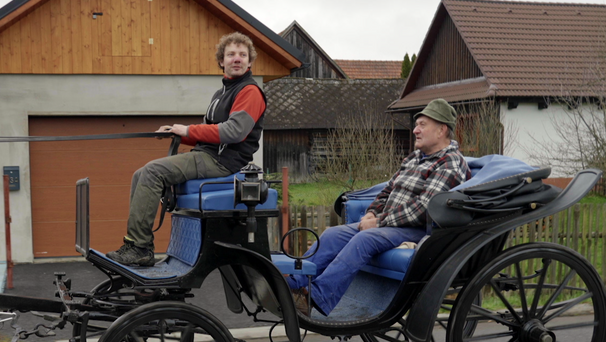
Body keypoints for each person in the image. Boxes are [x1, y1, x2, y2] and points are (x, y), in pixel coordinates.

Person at [288, 98, 471, 316]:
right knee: (333, 234)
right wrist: (372, 212)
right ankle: (292, 283)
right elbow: (386, 191)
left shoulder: (450, 162)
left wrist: (378, 222)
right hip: (389, 224)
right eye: (416, 125)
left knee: (364, 240)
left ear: (441, 130)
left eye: (422, 125)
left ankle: (316, 297)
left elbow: (424, 207)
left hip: (421, 231)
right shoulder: (414, 158)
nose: (415, 130)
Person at [106, 32, 267, 266]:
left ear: (250, 62)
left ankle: (140, 248)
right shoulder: (220, 93)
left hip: (223, 162)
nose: (237, 59)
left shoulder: (249, 91)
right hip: (208, 154)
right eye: (231, 54)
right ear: (221, 61)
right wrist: (177, 133)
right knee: (140, 174)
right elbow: (211, 132)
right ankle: (136, 243)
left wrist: (187, 130)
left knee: (153, 171)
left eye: (242, 55)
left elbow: (234, 132)